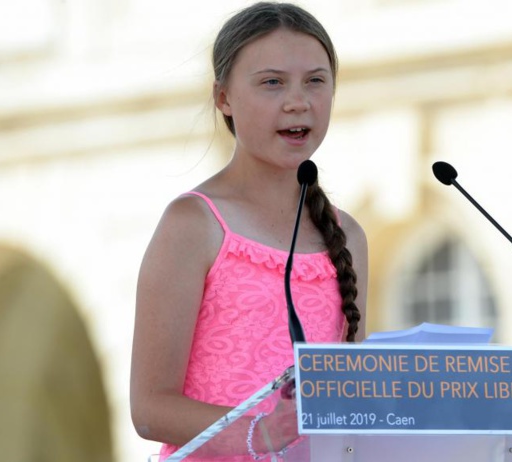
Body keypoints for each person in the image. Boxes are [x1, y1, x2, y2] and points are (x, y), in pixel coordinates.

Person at [129, 2, 368, 460]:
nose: (298, 101)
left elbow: (347, 405)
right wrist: (258, 431)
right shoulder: (193, 225)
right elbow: (150, 407)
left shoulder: (349, 236)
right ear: (223, 97)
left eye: (315, 81)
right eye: (272, 82)